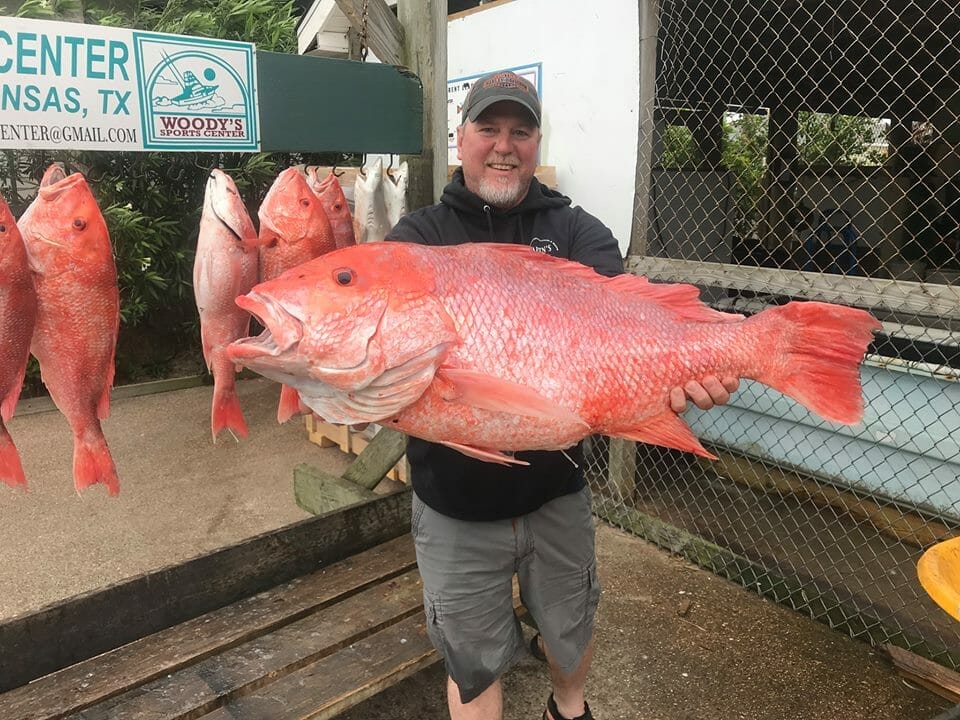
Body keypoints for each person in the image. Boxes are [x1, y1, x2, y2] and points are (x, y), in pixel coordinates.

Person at [385, 70, 738, 720]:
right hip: (454, 509)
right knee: (471, 663)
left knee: (570, 633)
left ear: (536, 141)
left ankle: (568, 710)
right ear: (460, 138)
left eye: (520, 131)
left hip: (557, 497)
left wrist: (687, 374)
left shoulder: (574, 230)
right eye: (488, 127)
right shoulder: (418, 240)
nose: (503, 144)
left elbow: (629, 326)